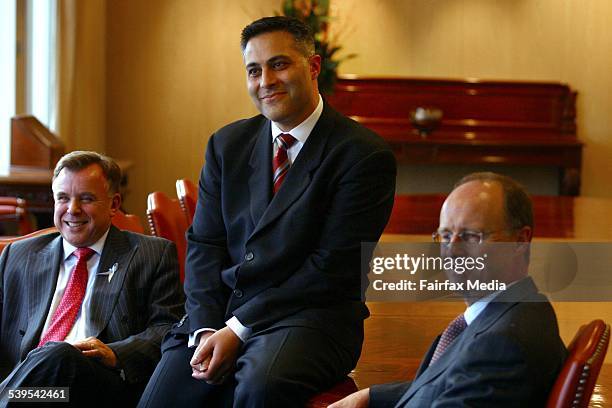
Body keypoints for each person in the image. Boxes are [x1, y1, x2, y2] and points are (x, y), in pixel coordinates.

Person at [138, 16, 396, 407]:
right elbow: (205, 246)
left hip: (312, 317)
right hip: (221, 310)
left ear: (312, 67)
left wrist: (238, 330)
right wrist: (207, 328)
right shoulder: (227, 145)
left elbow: (331, 268)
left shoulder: (362, 155)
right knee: (163, 397)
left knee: (258, 387)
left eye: (279, 64)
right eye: (254, 70)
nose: (266, 81)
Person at [330, 172, 567, 407]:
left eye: (471, 236)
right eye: (445, 235)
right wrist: (371, 395)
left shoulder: (502, 345)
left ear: (520, 240)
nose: (451, 250)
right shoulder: (516, 311)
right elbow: (447, 383)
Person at [0, 151, 184, 406]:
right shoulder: (20, 256)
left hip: (96, 391)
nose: (72, 210)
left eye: (86, 199)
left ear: (114, 204)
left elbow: (170, 329)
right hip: (42, 396)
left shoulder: (151, 254)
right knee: (48, 370)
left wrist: (116, 353)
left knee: (61, 354)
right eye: (63, 198)